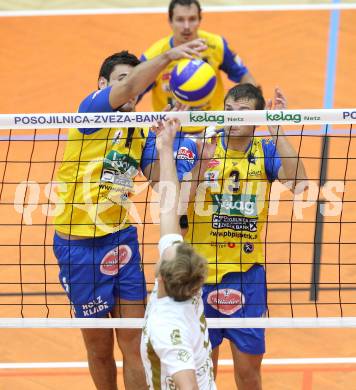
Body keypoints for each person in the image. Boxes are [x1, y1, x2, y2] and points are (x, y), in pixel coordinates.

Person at [53, 40, 207, 390]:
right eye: (126, 80)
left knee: (134, 343)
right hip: (79, 250)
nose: (133, 90)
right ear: (102, 85)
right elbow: (129, 86)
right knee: (99, 348)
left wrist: (180, 144)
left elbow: (162, 182)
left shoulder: (139, 131)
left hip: (120, 240)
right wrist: (167, 57)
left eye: (137, 83)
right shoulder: (91, 113)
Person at [184, 84, 308, 389]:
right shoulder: (202, 145)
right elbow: (174, 199)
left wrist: (276, 130)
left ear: (256, 118)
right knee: (202, 373)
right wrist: (201, 163)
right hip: (198, 275)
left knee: (248, 373)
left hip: (246, 276)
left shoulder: (264, 150)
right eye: (229, 110)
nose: (234, 117)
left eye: (243, 111)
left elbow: (300, 184)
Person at [140, 117, 216, 389]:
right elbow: (169, 205)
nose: (165, 247)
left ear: (161, 275)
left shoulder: (167, 327)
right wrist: (165, 147)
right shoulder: (185, 291)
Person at [140, 0, 256, 132]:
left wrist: (255, 110)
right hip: (172, 129)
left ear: (200, 19)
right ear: (170, 21)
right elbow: (133, 91)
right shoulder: (154, 55)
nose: (186, 26)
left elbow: (245, 77)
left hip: (214, 126)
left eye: (192, 19)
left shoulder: (215, 44)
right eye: (180, 20)